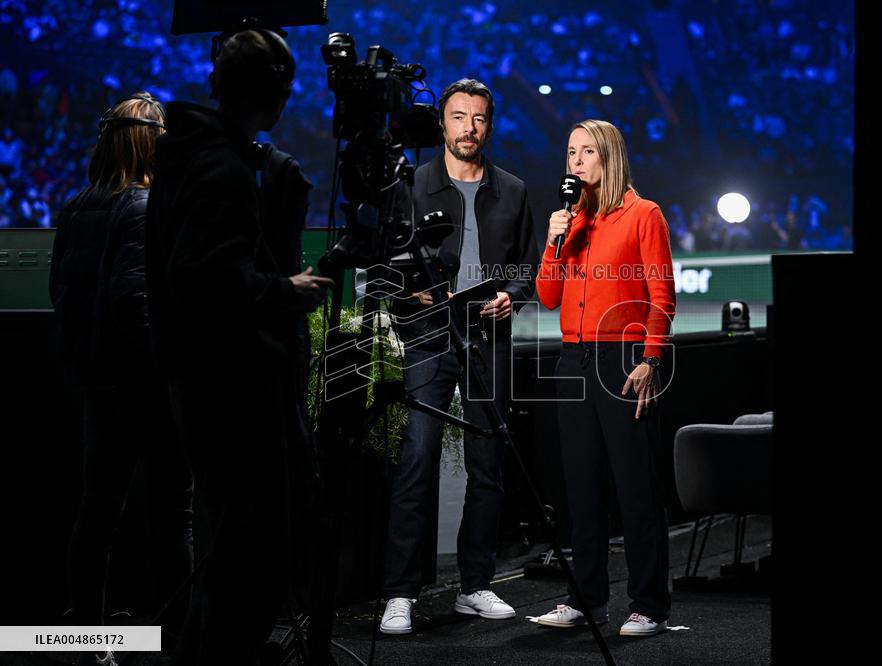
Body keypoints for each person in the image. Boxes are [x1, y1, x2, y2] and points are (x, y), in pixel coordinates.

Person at [144, 30, 333, 665]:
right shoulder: (222, 169)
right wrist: (285, 290)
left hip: (199, 381)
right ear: (269, 90)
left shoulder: (189, 157)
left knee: (229, 549)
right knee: (252, 556)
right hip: (229, 388)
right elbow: (202, 278)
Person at [379, 78, 540, 635]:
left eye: (478, 118)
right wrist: (412, 292)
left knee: (488, 466)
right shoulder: (410, 185)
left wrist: (512, 295)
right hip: (427, 337)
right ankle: (400, 592)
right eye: (458, 117)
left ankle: (476, 585)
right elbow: (386, 267)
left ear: (488, 126)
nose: (469, 128)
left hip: (488, 339)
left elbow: (526, 266)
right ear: (442, 124)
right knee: (416, 461)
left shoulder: (514, 190)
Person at [49, 92, 193, 666]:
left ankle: (87, 637)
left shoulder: (75, 206)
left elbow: (61, 293)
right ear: (151, 143)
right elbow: (136, 305)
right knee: (172, 512)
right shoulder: (143, 207)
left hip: (99, 383)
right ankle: (180, 641)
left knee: (98, 510)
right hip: (146, 387)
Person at [534, 119, 676, 636]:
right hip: (572, 360)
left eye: (587, 151)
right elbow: (547, 296)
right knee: (582, 488)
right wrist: (553, 241)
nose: (576, 161)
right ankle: (586, 600)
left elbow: (662, 296)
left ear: (609, 157)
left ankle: (649, 605)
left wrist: (651, 359)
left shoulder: (644, 214)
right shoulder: (568, 221)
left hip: (623, 360)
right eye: (571, 152)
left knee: (636, 488)